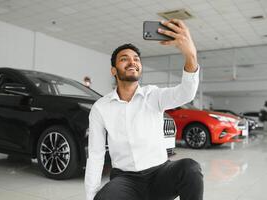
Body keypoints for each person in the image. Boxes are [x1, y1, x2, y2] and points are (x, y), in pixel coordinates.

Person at [84, 19, 203, 200]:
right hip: (125, 179)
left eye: (136, 59)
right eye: (124, 59)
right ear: (113, 70)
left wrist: (190, 56)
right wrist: (91, 196)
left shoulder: (153, 95)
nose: (132, 62)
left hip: (160, 173)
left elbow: (186, 93)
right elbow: (96, 154)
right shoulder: (101, 108)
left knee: (190, 168)